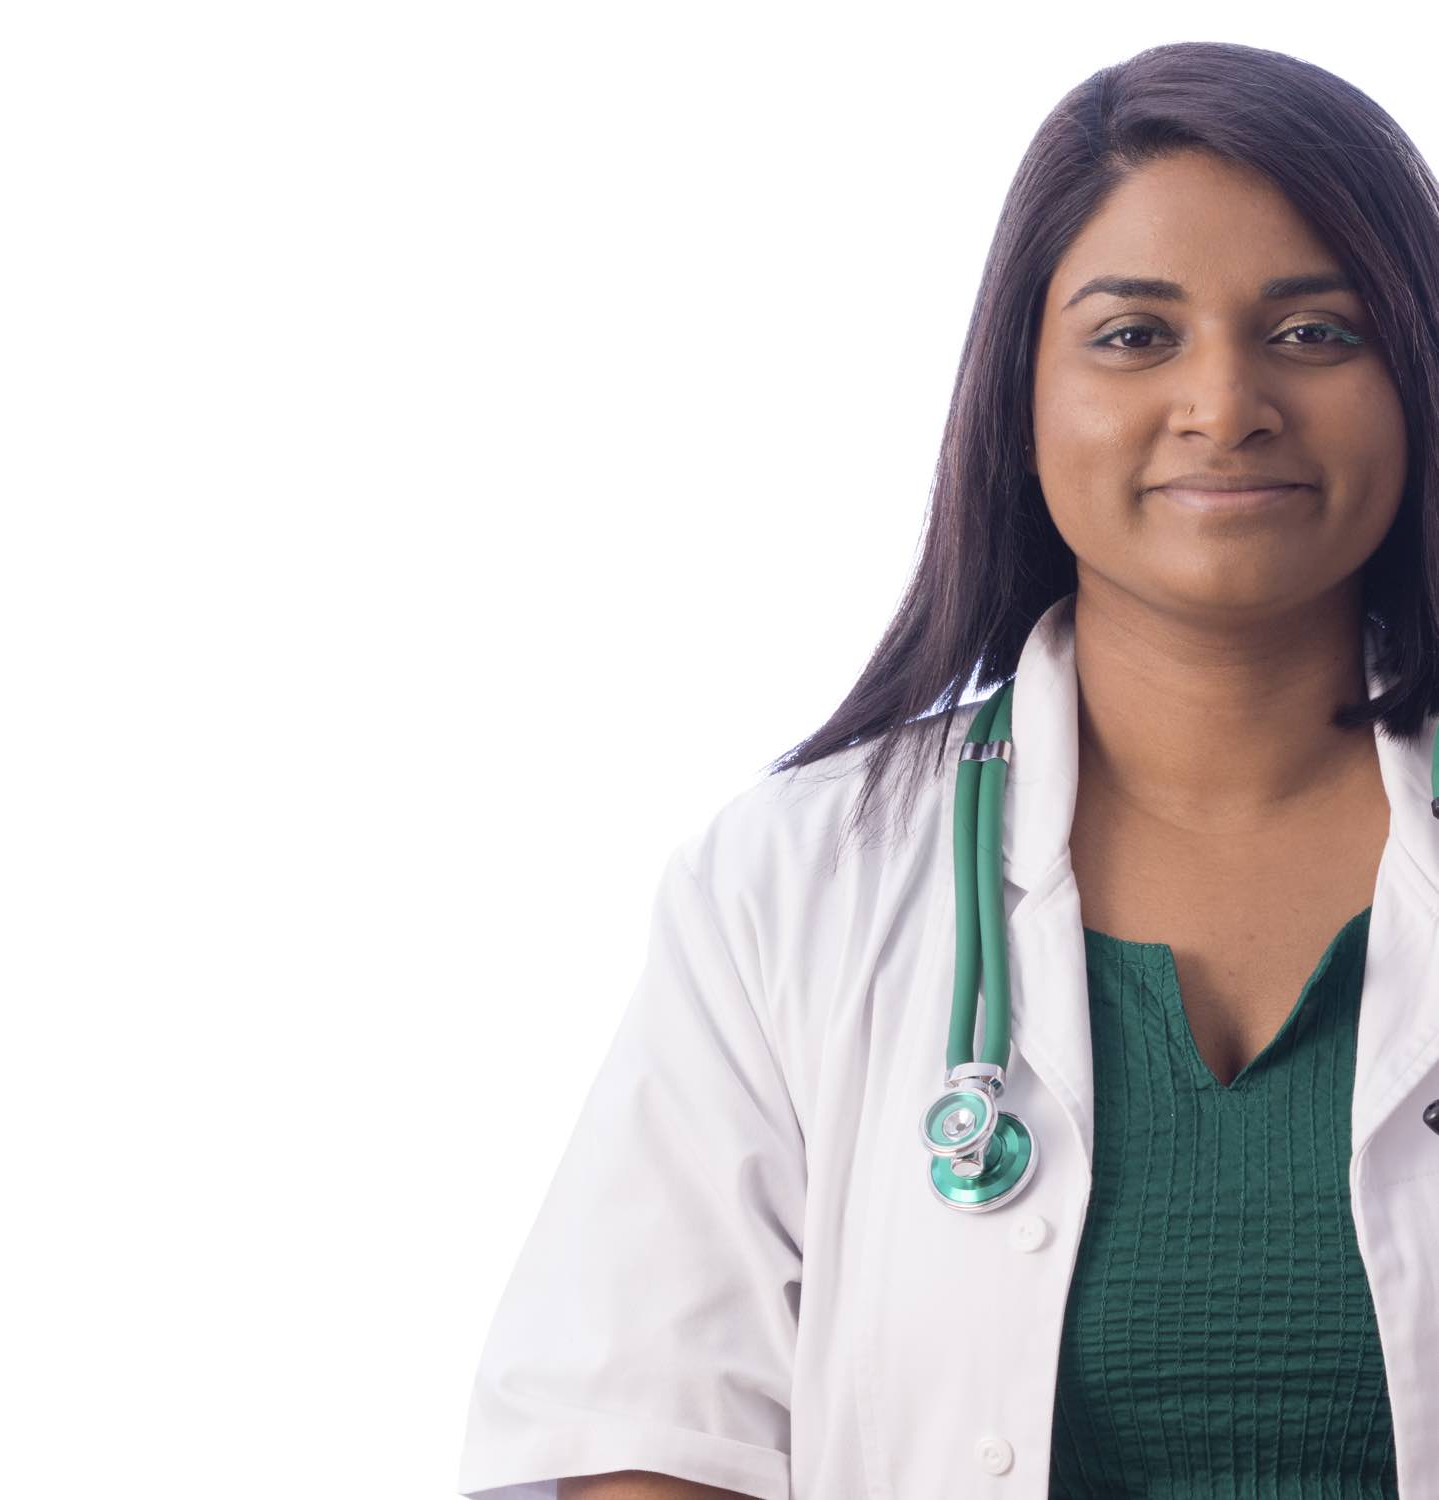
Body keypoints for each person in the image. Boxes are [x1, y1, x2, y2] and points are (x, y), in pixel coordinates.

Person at [456, 40, 1439, 1499]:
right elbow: (644, 1437)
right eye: (1132, 336)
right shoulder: (796, 883)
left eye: (1314, 333)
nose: (1223, 403)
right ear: (1019, 397)